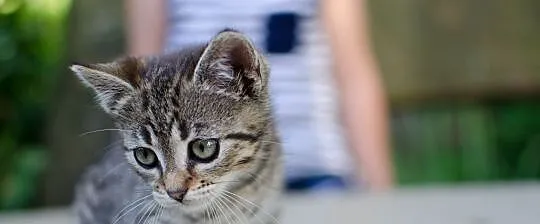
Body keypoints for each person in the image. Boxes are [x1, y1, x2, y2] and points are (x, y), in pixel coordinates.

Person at [124, 0, 394, 192]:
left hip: (312, 167)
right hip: (202, 177)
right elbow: (141, 78)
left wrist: (378, 185)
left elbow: (354, 75)